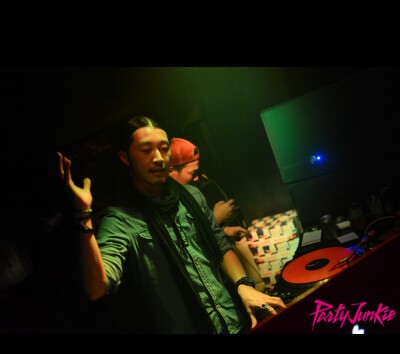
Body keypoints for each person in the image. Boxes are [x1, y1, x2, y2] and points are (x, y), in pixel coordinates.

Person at [56, 115, 286, 333]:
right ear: (125, 158)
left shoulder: (191, 196)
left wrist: (243, 285)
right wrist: (83, 215)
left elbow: (220, 245)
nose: (158, 157)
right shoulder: (120, 220)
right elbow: (96, 288)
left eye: (163, 148)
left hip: (232, 321)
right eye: (146, 150)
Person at [168, 138, 246, 241]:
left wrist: (225, 231)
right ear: (171, 172)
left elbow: (197, 229)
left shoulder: (192, 195)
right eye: (193, 173)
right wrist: (216, 218)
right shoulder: (168, 204)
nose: (197, 178)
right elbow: (186, 242)